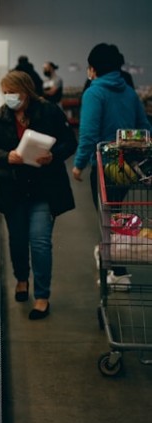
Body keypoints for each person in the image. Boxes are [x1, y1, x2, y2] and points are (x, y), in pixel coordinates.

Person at [0, 70, 77, 320]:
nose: (8, 97)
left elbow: (69, 141)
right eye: (4, 93)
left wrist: (53, 156)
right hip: (13, 190)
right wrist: (7, 156)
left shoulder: (49, 111)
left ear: (25, 92)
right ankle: (21, 279)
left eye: (12, 93)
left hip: (43, 189)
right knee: (17, 239)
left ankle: (42, 296)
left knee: (40, 242)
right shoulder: (0, 116)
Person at [72, 43, 151, 289]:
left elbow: (88, 133)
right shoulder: (128, 92)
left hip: (105, 165)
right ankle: (114, 259)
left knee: (109, 217)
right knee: (116, 213)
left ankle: (118, 271)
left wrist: (79, 164)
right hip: (129, 167)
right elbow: (145, 128)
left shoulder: (94, 93)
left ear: (93, 68)